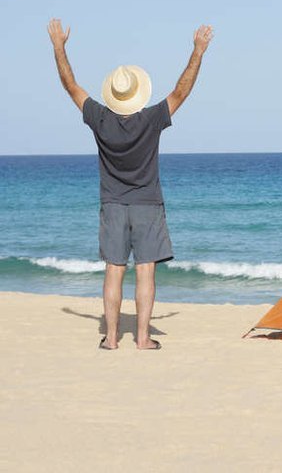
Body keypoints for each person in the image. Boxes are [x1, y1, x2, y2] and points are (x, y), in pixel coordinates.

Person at [47, 18, 214, 350]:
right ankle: (141, 338)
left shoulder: (99, 117)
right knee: (145, 272)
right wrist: (198, 51)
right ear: (138, 94)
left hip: (112, 203)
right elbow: (182, 90)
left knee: (113, 270)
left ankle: (110, 339)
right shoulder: (151, 118)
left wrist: (58, 47)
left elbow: (70, 85)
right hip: (148, 203)